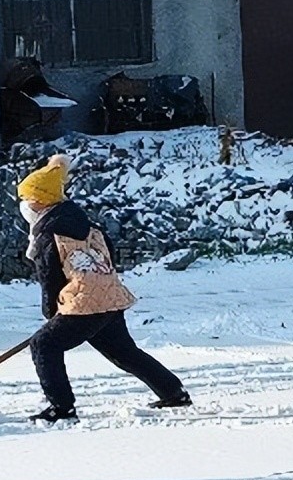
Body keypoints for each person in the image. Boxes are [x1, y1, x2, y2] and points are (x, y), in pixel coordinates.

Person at [16, 154, 191, 423]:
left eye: (27, 199)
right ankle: (173, 392)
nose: (24, 204)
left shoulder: (48, 234)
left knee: (43, 345)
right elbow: (109, 256)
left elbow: (49, 277)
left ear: (40, 202)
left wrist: (52, 313)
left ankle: (62, 409)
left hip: (85, 302)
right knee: (123, 352)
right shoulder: (87, 224)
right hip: (109, 296)